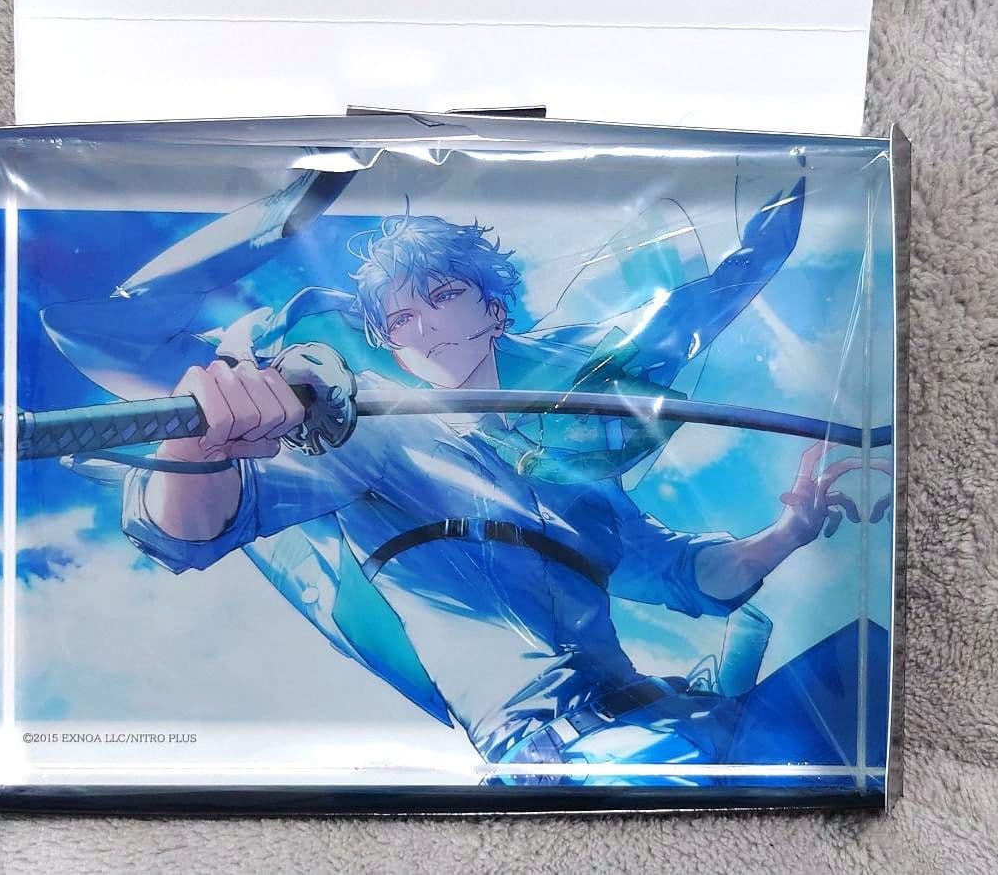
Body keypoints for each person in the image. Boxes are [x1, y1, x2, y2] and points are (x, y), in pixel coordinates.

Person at [121, 188, 865, 779]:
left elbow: (689, 574)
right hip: (572, 753)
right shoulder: (372, 435)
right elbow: (192, 526)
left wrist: (787, 532)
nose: (422, 328)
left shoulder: (574, 481)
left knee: (861, 674)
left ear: (494, 310)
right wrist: (201, 436)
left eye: (442, 295)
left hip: (675, 716)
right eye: (398, 319)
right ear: (388, 345)